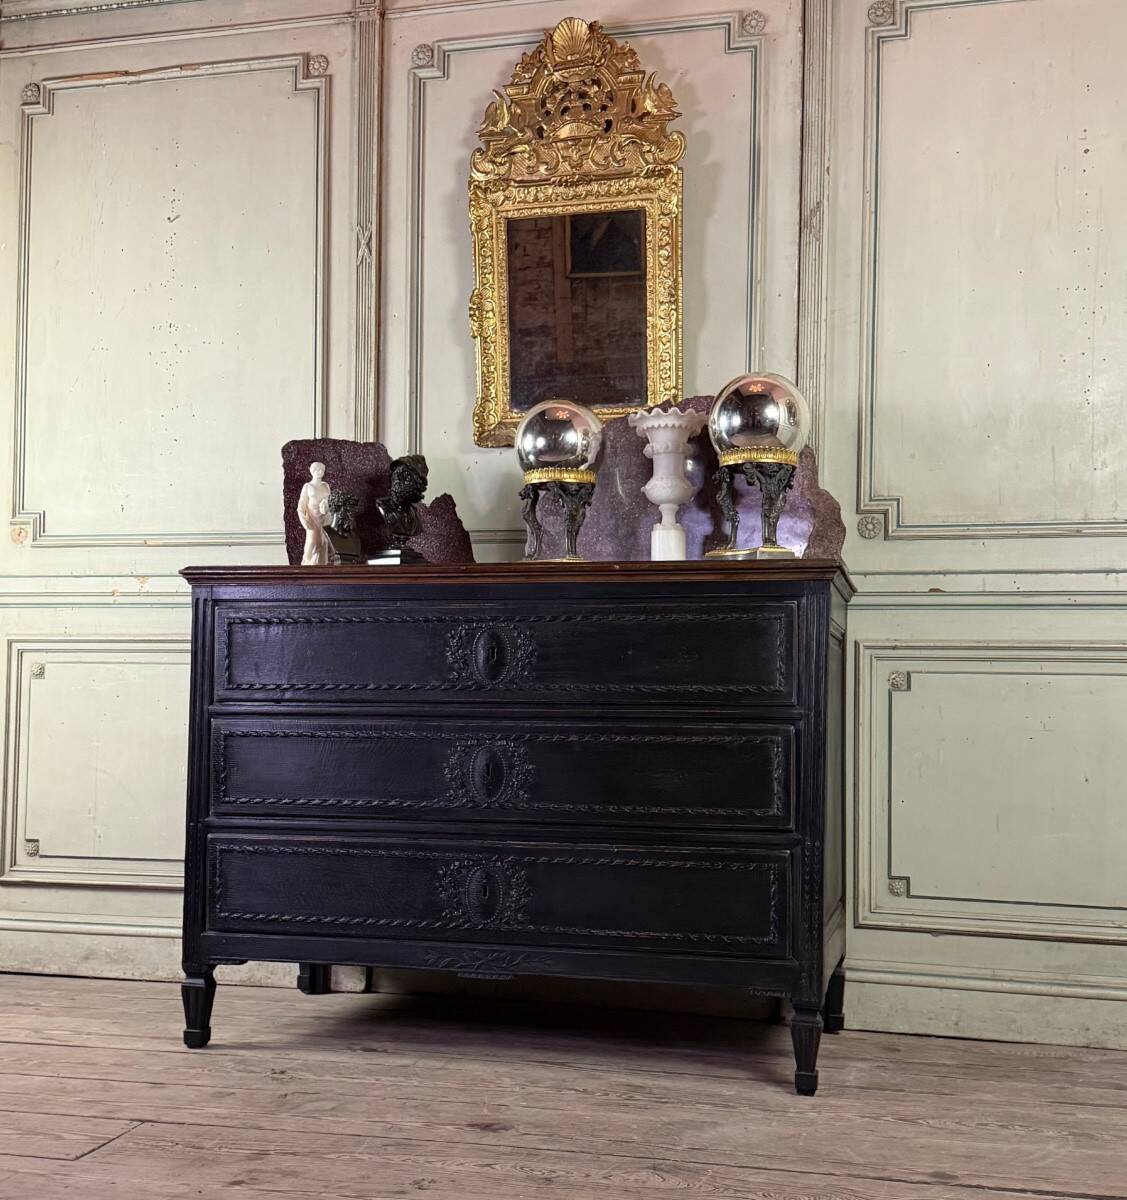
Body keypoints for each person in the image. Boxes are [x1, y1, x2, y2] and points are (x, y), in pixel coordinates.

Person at [297, 462, 331, 565]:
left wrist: (326, 504)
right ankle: (307, 564)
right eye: (317, 470)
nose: (320, 472)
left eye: (322, 470)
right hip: (312, 518)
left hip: (324, 518)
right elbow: (300, 507)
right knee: (311, 542)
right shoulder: (308, 486)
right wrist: (303, 521)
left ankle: (322, 565)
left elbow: (330, 501)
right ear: (312, 471)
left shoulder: (326, 486)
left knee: (324, 542)